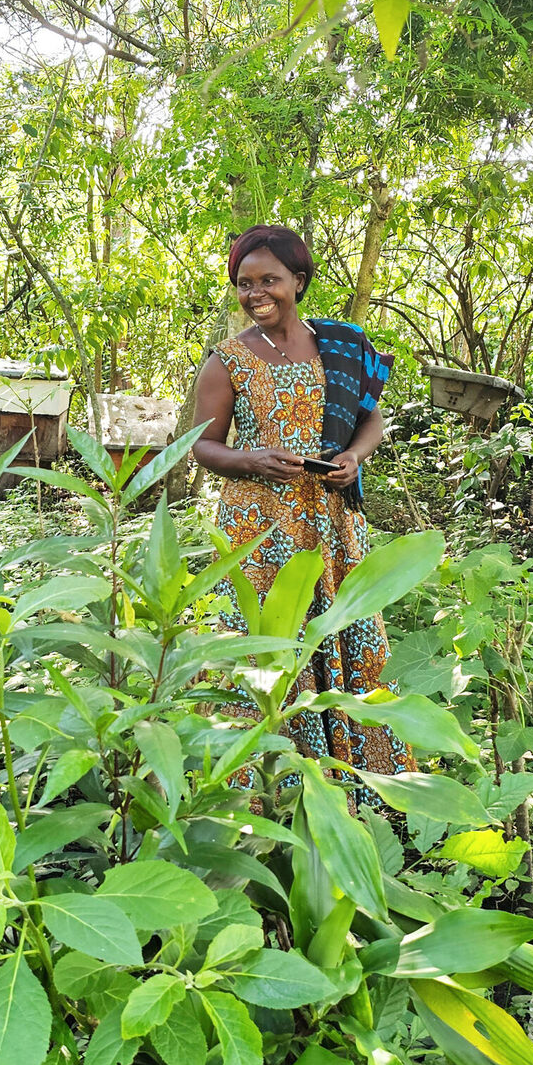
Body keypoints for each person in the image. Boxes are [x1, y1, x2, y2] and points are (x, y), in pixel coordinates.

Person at [190, 224, 413, 788]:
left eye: (269, 280)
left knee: (350, 632)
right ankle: (261, 788)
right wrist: (252, 460)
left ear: (298, 280)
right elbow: (201, 446)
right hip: (260, 529)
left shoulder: (342, 345)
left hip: (333, 522)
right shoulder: (227, 361)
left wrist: (355, 456)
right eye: (244, 283)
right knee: (263, 647)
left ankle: (363, 778)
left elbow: (370, 419)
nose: (256, 294)